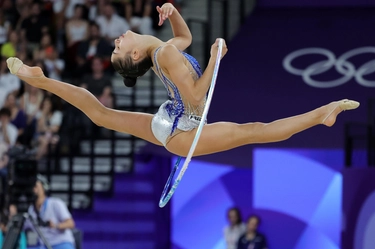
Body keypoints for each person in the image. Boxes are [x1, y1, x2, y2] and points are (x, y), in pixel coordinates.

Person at [5, 3, 360, 158]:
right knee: (254, 130)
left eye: (114, 46)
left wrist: (173, 13)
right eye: (117, 50)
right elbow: (195, 98)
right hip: (183, 126)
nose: (116, 41)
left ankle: (41, 81)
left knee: (102, 115)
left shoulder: (163, 51)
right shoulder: (162, 55)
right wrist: (213, 61)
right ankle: (321, 113)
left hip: (175, 125)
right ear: (134, 57)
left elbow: (185, 38)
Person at [24, 174, 76, 249]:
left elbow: (71, 223)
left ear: (44, 188)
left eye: (36, 186)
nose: (34, 190)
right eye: (33, 187)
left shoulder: (55, 203)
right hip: (43, 245)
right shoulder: (31, 210)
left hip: (61, 242)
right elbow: (24, 226)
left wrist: (56, 225)